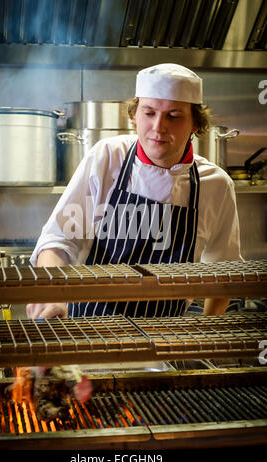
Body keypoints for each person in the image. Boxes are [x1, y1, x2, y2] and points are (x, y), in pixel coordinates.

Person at [26, 63, 242, 320]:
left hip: (166, 338)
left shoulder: (216, 185)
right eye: (149, 112)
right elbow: (59, 240)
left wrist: (208, 329)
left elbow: (222, 273)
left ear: (196, 123)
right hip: (87, 328)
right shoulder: (107, 157)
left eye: (173, 116)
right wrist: (52, 295)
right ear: (134, 116)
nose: (158, 127)